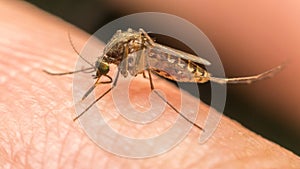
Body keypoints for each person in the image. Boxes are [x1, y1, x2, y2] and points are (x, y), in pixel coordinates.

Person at [0, 1, 299, 168]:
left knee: (150, 73)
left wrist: (151, 61)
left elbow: (127, 54)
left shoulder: (116, 57)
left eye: (103, 70)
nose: (103, 74)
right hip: (143, 53)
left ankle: (232, 78)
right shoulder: (111, 56)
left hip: (158, 58)